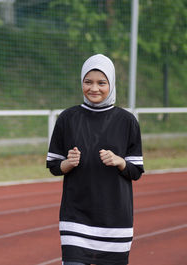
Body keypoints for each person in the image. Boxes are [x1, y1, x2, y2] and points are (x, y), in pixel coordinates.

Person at [46, 54, 144, 265]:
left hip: (115, 218)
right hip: (76, 216)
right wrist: (68, 163)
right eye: (88, 82)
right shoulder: (67, 119)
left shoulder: (127, 121)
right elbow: (54, 166)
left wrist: (119, 161)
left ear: (112, 84)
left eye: (102, 83)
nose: (94, 88)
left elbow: (135, 171)